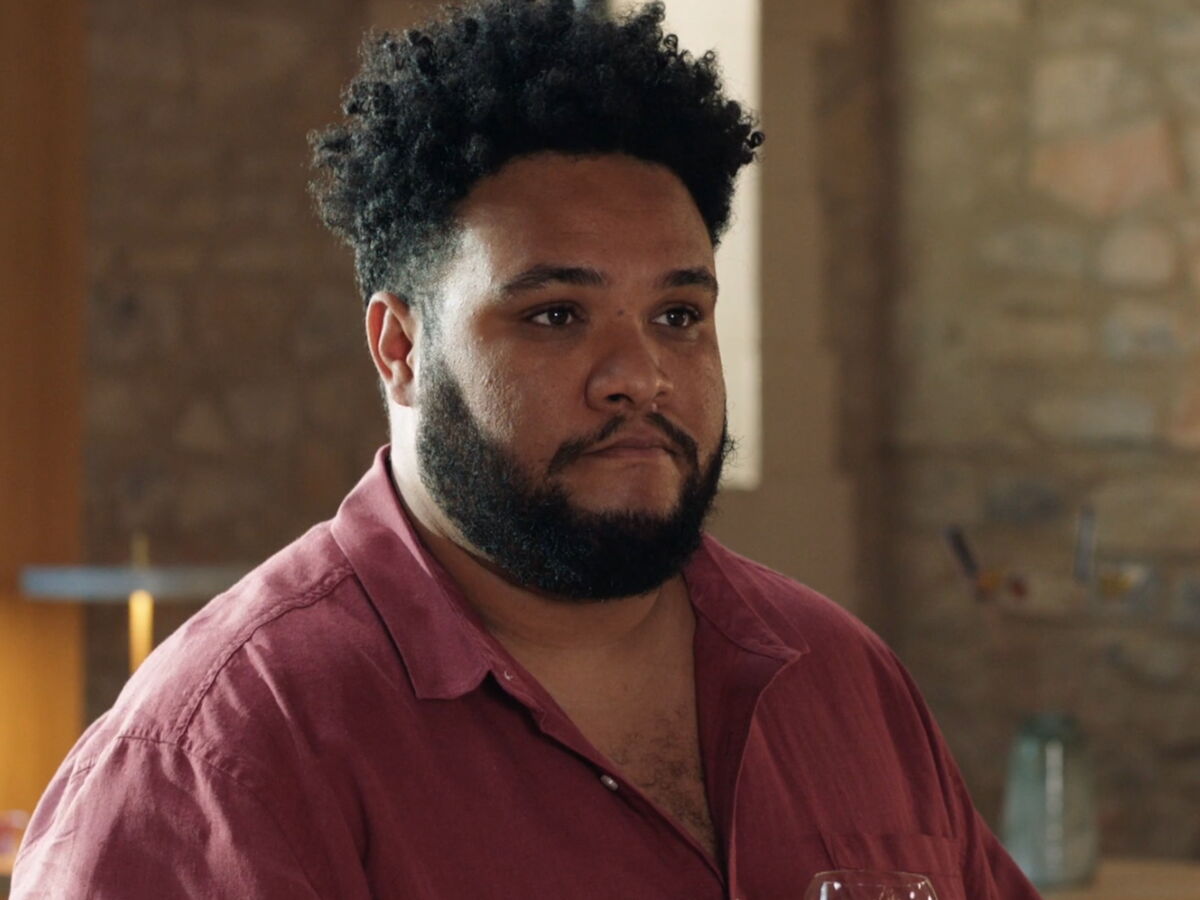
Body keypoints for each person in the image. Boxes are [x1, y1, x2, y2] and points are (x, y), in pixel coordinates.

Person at [13, 1, 1042, 897]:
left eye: (679, 315)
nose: (639, 374)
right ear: (400, 348)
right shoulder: (217, 763)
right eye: (555, 316)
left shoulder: (846, 683)